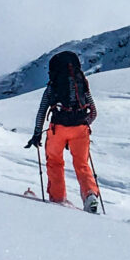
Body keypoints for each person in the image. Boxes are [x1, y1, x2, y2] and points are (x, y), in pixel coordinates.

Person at [28, 50, 104, 212]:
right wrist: (84, 123)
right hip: (80, 129)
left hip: (58, 129)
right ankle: (90, 195)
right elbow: (94, 112)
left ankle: (57, 198)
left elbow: (42, 111)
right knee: (82, 164)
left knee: (54, 162)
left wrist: (36, 133)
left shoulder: (52, 87)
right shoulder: (82, 84)